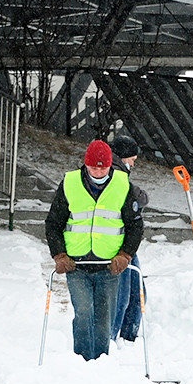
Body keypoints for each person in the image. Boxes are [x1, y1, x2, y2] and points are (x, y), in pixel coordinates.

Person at [45, 139, 144, 361]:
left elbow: (135, 225)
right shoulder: (70, 183)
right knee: (83, 313)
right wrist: (59, 255)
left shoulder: (123, 185)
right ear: (86, 164)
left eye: (103, 166)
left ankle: (100, 362)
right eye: (93, 166)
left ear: (111, 165)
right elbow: (53, 223)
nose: (98, 171)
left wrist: (125, 255)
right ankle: (81, 361)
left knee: (103, 317)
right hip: (76, 265)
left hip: (109, 267)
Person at [110, 134, 147, 342]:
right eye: (132, 158)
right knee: (125, 296)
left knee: (133, 292)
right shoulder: (116, 175)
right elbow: (139, 197)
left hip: (123, 242)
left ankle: (123, 338)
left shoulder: (117, 172)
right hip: (118, 243)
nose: (134, 162)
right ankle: (117, 338)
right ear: (123, 157)